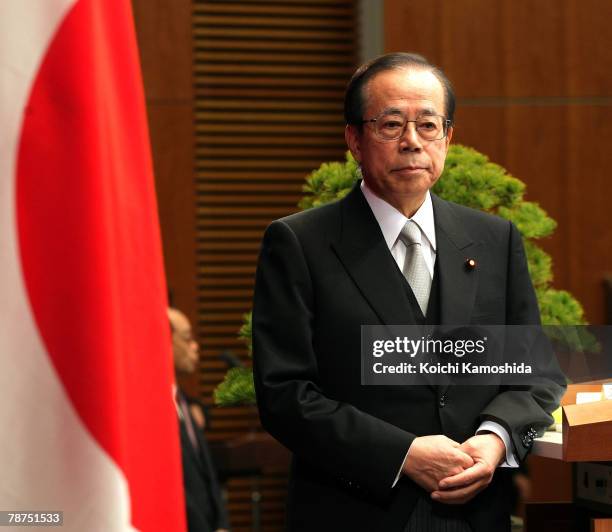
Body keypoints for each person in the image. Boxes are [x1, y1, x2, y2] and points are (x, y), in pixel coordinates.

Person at [252, 53, 565, 532]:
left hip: (476, 510)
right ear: (354, 139)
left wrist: (496, 438)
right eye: (391, 124)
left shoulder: (494, 239)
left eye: (428, 125)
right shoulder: (300, 243)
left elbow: (534, 373)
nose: (411, 142)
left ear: (449, 138)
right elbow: (285, 395)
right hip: (356, 510)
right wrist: (403, 454)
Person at [168, 307, 230, 532]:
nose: (195, 346)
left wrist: (222, 524)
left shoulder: (185, 402)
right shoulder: (154, 410)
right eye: (186, 338)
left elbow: (208, 476)